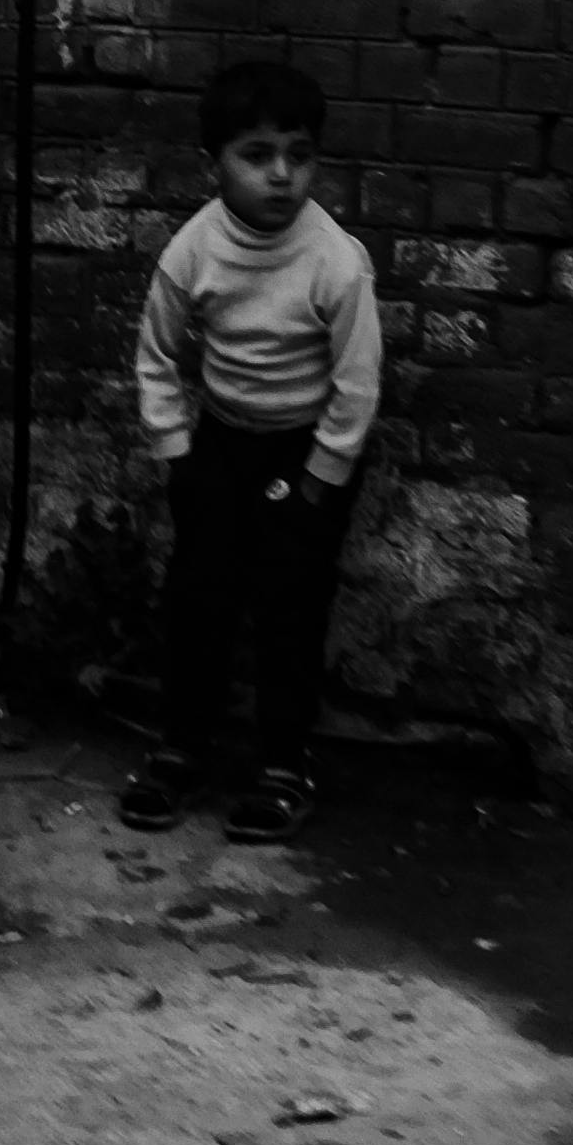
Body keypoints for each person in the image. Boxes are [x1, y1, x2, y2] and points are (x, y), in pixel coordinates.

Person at [116, 59, 382, 842]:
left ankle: (283, 764)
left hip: (307, 453)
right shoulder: (192, 251)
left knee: (289, 607)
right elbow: (155, 358)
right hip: (222, 445)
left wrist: (317, 482)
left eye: (299, 155)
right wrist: (178, 455)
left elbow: (358, 384)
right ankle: (180, 748)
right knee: (199, 598)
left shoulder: (335, 260)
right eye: (258, 155)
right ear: (215, 163)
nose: (281, 175)